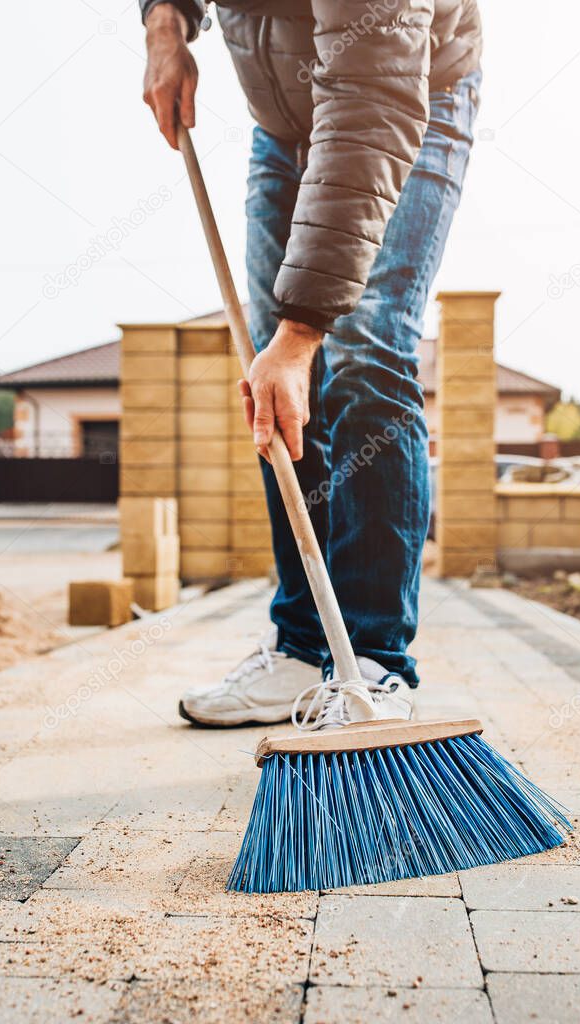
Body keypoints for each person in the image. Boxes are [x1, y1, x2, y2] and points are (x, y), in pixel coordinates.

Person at [139, 0, 482, 729]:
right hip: (283, 124)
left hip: (401, 100)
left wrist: (300, 333)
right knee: (276, 387)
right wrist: (164, 27)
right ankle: (301, 647)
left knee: (363, 347)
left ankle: (371, 661)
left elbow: (370, 106)